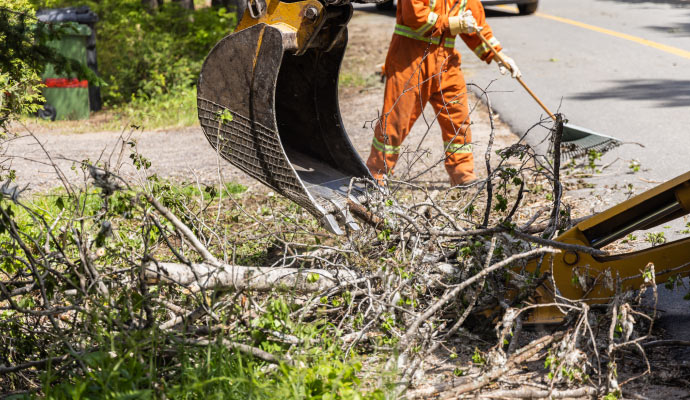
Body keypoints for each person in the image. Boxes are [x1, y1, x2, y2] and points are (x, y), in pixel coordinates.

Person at [366, 0, 521, 186]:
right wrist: (453, 23)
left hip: (445, 62)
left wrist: (499, 56)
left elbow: (476, 27)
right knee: (396, 121)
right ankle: (376, 174)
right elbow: (415, 17)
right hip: (409, 61)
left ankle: (462, 173)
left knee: (458, 117)